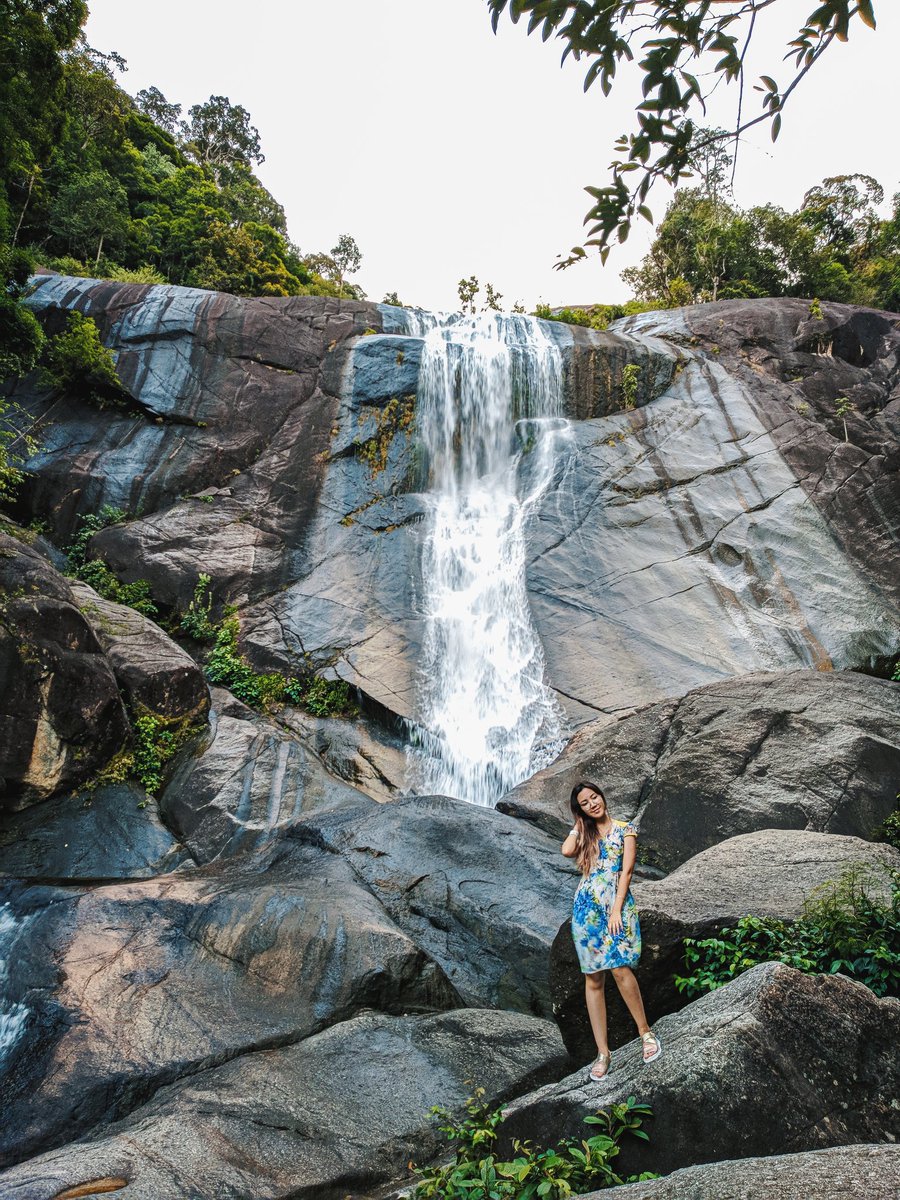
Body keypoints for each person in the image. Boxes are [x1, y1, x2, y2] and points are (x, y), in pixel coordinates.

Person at [561, 779, 661, 1081]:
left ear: (602, 796)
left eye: (594, 797)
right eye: (585, 803)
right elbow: (567, 850)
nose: (593, 803)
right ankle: (603, 1052)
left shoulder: (625, 829)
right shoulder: (585, 833)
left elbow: (627, 870)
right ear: (580, 810)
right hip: (586, 910)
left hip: (615, 906)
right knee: (593, 979)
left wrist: (616, 909)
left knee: (619, 968)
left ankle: (646, 1033)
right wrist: (579, 824)